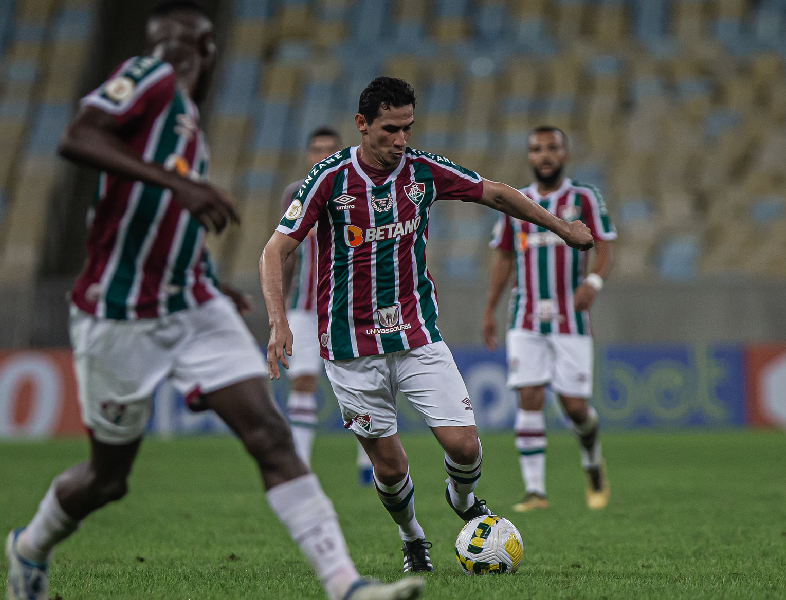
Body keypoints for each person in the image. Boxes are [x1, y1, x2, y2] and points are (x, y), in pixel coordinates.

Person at [5, 4, 423, 600]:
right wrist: (182, 183)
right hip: (118, 314)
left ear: (207, 57)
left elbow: (158, 221)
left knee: (270, 436)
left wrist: (206, 273)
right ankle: (30, 547)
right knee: (108, 479)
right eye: (167, 45)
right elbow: (77, 135)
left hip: (193, 303)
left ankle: (345, 585)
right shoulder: (149, 82)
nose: (175, 56)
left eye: (187, 47)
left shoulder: (187, 127)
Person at [260, 77, 594, 573]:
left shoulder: (422, 171)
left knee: (464, 445)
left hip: (417, 336)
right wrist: (278, 321)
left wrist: (562, 228)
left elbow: (497, 194)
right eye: (390, 130)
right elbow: (276, 248)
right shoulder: (328, 179)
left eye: (408, 128)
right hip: (351, 349)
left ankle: (461, 500)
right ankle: (412, 536)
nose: (401, 140)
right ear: (362, 125)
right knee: (390, 468)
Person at [482, 126, 616, 513]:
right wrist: (489, 309)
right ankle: (535, 492)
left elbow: (605, 246)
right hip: (524, 315)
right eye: (536, 149)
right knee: (529, 395)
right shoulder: (516, 202)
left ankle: (592, 461)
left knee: (575, 407)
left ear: (565, 155)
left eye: (552, 148)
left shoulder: (584, 197)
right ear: (529, 156)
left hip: (570, 318)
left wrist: (592, 280)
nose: (544, 155)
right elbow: (503, 257)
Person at [281, 126, 374, 485]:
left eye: (329, 149)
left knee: (364, 383)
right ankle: (300, 464)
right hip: (304, 306)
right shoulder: (294, 193)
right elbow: (286, 251)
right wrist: (282, 304)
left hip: (349, 305)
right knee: (302, 381)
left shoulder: (358, 186)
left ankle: (368, 464)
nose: (321, 154)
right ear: (308, 155)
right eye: (316, 149)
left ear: (341, 152)